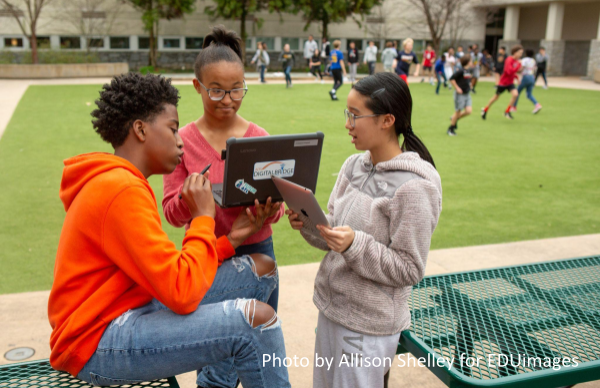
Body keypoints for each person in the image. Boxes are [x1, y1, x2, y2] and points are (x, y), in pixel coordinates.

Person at [48, 72, 291, 388]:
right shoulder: (120, 189)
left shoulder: (121, 182)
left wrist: (232, 238)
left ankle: (217, 381)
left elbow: (164, 273)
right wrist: (203, 216)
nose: (180, 141)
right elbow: (182, 294)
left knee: (262, 270)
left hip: (127, 309)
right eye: (173, 129)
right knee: (253, 322)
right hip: (98, 342)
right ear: (140, 129)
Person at [285, 72, 442, 388]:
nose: (348, 124)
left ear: (387, 120)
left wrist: (355, 244)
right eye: (347, 114)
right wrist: (309, 225)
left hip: (369, 326)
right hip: (332, 309)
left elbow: (409, 268)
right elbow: (333, 234)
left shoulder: (414, 187)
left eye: (355, 115)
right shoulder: (352, 166)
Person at [163, 25, 285, 328]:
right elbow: (172, 214)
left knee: (259, 340)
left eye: (236, 89)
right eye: (216, 90)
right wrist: (190, 197)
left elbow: (277, 210)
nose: (228, 99)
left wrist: (268, 210)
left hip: (259, 251)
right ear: (197, 85)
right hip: (206, 255)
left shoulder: (260, 138)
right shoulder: (181, 141)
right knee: (214, 353)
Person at [481, 45, 523, 120]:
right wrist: (519, 66)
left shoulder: (516, 61)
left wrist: (517, 78)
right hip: (503, 82)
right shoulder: (509, 59)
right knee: (495, 97)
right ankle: (485, 109)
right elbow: (508, 71)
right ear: (514, 52)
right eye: (519, 53)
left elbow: (513, 73)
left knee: (515, 94)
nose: (520, 55)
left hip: (510, 83)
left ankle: (507, 111)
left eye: (521, 53)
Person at [448, 54, 474, 136]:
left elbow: (466, 80)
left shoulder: (468, 71)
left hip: (467, 94)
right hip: (460, 95)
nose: (472, 62)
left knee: (469, 111)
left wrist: (469, 84)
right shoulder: (461, 71)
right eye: (471, 60)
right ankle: (451, 129)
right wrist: (457, 88)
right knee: (458, 112)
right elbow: (451, 78)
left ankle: (454, 119)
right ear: (467, 62)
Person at [513, 48, 542, 114]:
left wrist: (515, 70)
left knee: (517, 92)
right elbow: (534, 69)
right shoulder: (533, 60)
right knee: (529, 94)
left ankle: (514, 107)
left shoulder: (524, 60)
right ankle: (537, 105)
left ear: (525, 54)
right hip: (532, 77)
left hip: (526, 77)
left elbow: (521, 68)